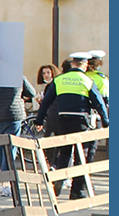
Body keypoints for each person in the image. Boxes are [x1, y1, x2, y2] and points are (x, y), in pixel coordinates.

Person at [35, 52, 109, 199]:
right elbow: (99, 103)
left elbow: (46, 102)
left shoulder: (59, 79)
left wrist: (39, 120)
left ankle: (58, 181)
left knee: (64, 153)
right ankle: (77, 191)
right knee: (81, 155)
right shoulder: (87, 80)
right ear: (85, 64)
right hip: (81, 121)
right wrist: (106, 121)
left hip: (63, 119)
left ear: (72, 64)